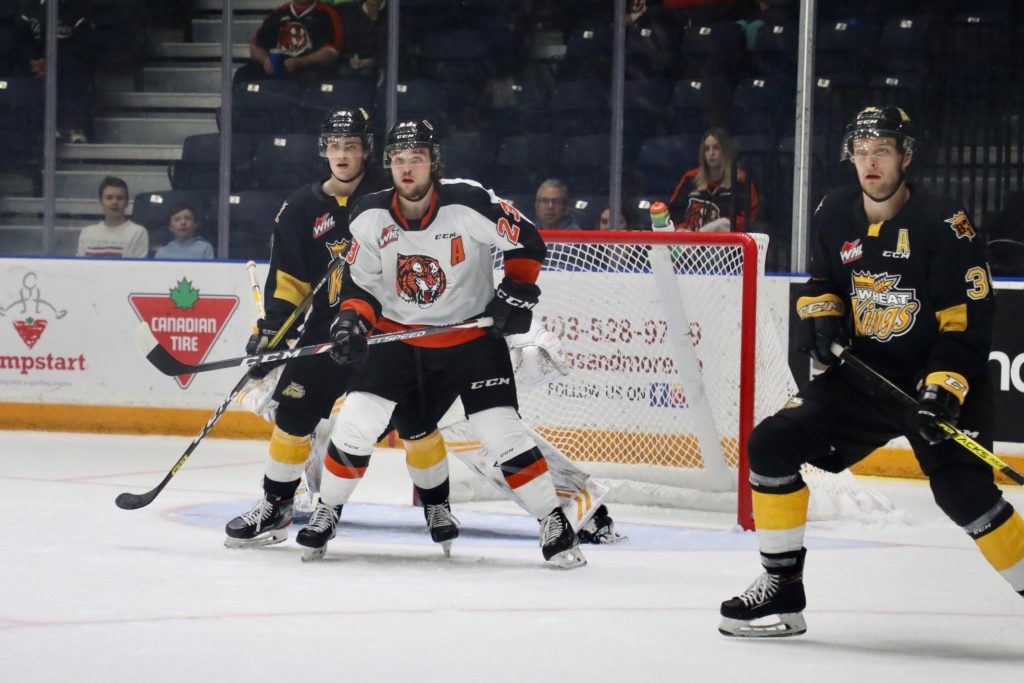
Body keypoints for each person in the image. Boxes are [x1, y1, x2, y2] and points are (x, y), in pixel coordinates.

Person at [718, 106, 1011, 638]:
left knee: (965, 496)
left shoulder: (946, 223)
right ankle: (782, 588)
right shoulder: (834, 211)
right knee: (771, 445)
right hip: (866, 377)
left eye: (882, 150)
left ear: (905, 157)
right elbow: (823, 280)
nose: (870, 161)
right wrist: (821, 316)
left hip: (935, 384)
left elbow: (967, 321)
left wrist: (943, 391)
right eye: (861, 151)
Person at [296, 120, 587, 568]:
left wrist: (519, 289)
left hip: (470, 338)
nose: (406, 168)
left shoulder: (469, 201)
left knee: (500, 432)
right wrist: (351, 324)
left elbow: (526, 240)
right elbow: (363, 286)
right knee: (355, 422)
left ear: (434, 162)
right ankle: (327, 510)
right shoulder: (369, 216)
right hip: (398, 338)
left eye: (416, 158)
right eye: (398, 159)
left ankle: (553, 520)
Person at [224, 108, 383, 548]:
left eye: (351, 145)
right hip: (325, 329)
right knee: (292, 413)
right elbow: (289, 281)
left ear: (366, 150)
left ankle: (423, 505)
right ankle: (275, 507)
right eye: (335, 145)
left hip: (385, 330)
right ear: (324, 151)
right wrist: (271, 335)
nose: (343, 154)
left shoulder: (390, 196)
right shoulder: (301, 207)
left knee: (384, 423)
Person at [23, 0, 95, 142]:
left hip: (66, 63)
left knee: (73, 77)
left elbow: (83, 43)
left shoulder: (77, 8)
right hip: (35, 64)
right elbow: (20, 40)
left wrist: (53, 62)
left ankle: (76, 129)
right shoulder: (27, 7)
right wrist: (32, 60)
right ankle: (40, 131)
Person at [666, 127, 759, 232]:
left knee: (722, 224)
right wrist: (682, 230)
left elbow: (748, 218)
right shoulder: (690, 178)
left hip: (727, 245)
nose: (711, 153)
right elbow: (673, 214)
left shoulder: (740, 181)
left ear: (725, 150)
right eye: (707, 149)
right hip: (689, 245)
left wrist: (720, 225)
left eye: (716, 148)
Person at [233, 0, 344, 85]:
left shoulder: (327, 14)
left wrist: (301, 62)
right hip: (279, 68)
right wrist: (266, 61)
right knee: (243, 74)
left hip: (309, 69)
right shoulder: (278, 14)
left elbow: (331, 51)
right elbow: (256, 47)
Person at [76, 176, 149, 258]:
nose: (114, 202)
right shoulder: (87, 233)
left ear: (127, 203)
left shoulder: (138, 232)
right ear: (101, 202)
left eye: (120, 198)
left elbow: (134, 268)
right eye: (109, 198)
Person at [335, 0, 385, 82]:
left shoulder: (395, 13)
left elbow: (401, 46)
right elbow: (344, 44)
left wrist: (376, 60)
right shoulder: (349, 12)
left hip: (386, 66)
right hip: (355, 66)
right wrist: (350, 59)